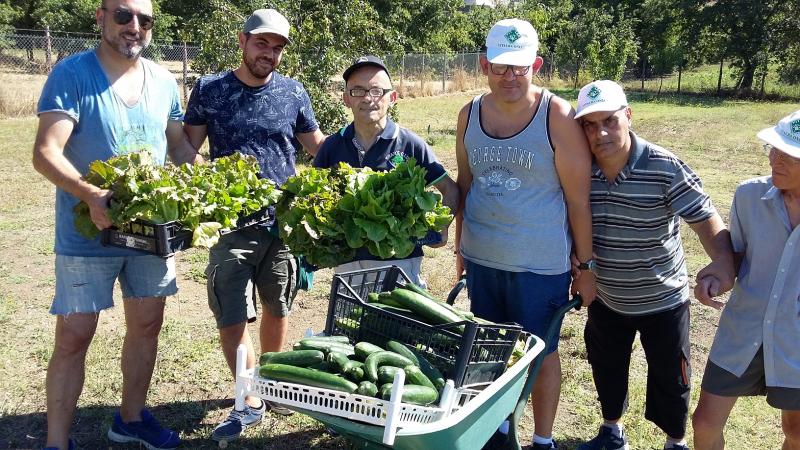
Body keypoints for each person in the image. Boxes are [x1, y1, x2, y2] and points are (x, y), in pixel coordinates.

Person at [31, 0, 203, 448]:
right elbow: (45, 152)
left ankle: (129, 418)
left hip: (150, 233)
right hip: (87, 230)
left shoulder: (164, 80)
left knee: (147, 325)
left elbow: (177, 147)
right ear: (100, 17)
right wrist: (90, 194)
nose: (134, 27)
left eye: (144, 20)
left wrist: (202, 182)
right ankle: (56, 442)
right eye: (124, 16)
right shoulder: (72, 74)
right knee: (75, 334)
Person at [182, 8, 325, 443]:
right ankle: (247, 392)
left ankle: (269, 378)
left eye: (278, 46)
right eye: (262, 43)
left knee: (277, 302)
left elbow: (317, 147)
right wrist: (202, 179)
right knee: (229, 305)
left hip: (282, 223)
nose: (270, 53)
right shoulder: (210, 89)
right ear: (243, 42)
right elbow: (188, 146)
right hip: (230, 224)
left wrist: (353, 161)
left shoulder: (294, 92)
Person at [453, 18, 597, 450]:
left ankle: (542, 439)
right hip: (483, 259)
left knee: (540, 353)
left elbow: (578, 201)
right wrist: (461, 248)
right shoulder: (469, 115)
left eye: (519, 67)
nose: (509, 76)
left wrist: (586, 266)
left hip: (539, 264)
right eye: (500, 66)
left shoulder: (558, 116)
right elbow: (465, 186)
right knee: (490, 352)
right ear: (484, 65)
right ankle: (497, 428)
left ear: (536, 64)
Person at [571, 80, 734, 450]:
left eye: (609, 120)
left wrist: (724, 263)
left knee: (671, 377)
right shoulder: (578, 170)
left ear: (628, 116)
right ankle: (611, 431)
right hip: (607, 296)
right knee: (606, 366)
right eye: (590, 125)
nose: (601, 133)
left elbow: (705, 218)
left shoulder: (663, 166)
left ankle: (675, 442)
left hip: (664, 299)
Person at [692, 110, 800, 450]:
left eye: (789, 155)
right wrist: (718, 275)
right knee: (704, 422)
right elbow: (737, 257)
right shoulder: (749, 197)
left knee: (796, 432)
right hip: (744, 327)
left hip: (795, 339)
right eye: (773, 149)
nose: (775, 160)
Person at [313, 55, 459, 283]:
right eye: (357, 91)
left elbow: (450, 189)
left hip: (400, 262)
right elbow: (313, 198)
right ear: (345, 99)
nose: (368, 98)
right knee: (351, 318)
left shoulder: (410, 144)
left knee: (397, 319)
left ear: (392, 98)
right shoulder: (331, 146)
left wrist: (441, 225)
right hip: (347, 262)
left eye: (376, 91)